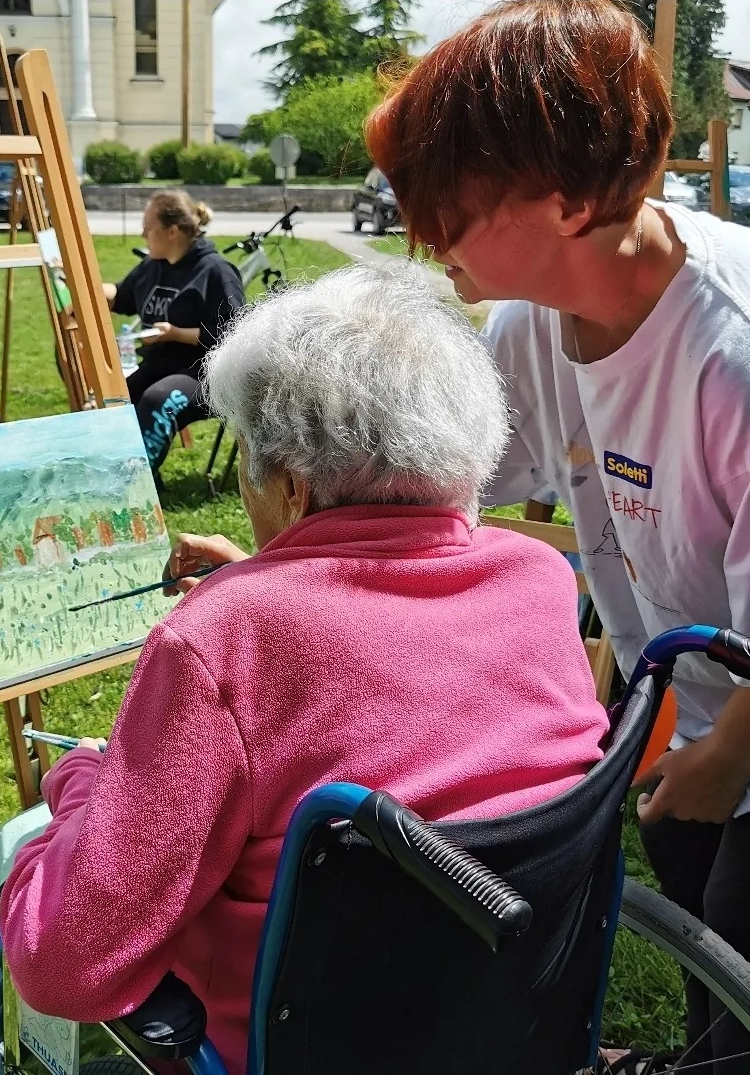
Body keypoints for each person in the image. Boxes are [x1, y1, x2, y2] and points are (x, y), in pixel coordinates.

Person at [0, 263, 610, 1074]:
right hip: (510, 1021)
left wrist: (80, 782)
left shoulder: (224, 638)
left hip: (288, 1043)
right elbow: (391, 654)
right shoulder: (535, 580)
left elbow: (64, 965)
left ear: (288, 484)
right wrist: (267, 582)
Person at [364, 2, 750, 1070]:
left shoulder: (730, 358)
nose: (424, 237)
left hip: (735, 716)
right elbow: (437, 491)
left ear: (569, 200)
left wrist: (732, 749)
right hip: (691, 699)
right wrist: (288, 568)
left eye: (449, 205)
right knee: (701, 926)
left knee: (736, 930)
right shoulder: (530, 319)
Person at [103, 191, 245, 477]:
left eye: (148, 228)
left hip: (206, 373)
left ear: (173, 231)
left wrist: (177, 334)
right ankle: (116, 473)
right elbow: (121, 296)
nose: (143, 234)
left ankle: (136, 481)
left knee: (158, 400)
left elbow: (234, 336)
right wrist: (83, 289)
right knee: (118, 398)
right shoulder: (153, 265)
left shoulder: (216, 272)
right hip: (160, 365)